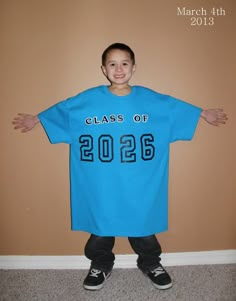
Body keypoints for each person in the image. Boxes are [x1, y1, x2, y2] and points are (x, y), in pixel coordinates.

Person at [12, 43, 227, 291]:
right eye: (112, 64)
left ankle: (151, 263)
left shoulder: (153, 101)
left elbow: (175, 107)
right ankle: (101, 264)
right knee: (101, 231)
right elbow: (64, 110)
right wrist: (36, 119)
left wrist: (203, 114)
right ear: (103, 69)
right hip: (100, 185)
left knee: (143, 229)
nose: (118, 68)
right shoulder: (86, 101)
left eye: (124, 63)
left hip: (140, 184)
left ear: (134, 68)